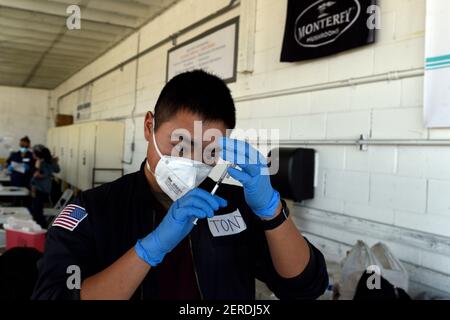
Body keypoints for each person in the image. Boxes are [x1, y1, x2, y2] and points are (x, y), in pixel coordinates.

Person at [32, 70, 328, 300]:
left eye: (210, 151)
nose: (193, 162)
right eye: (181, 145)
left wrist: (271, 211)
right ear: (149, 126)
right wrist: (148, 250)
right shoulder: (94, 210)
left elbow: (305, 288)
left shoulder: (233, 203)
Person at [30, 145, 56, 228]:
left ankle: (42, 230)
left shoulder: (43, 163)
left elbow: (37, 176)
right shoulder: (45, 162)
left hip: (41, 189)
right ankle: (41, 228)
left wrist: (38, 169)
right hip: (41, 189)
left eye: (34, 153)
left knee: (38, 212)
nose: (32, 154)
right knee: (37, 211)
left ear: (38, 154)